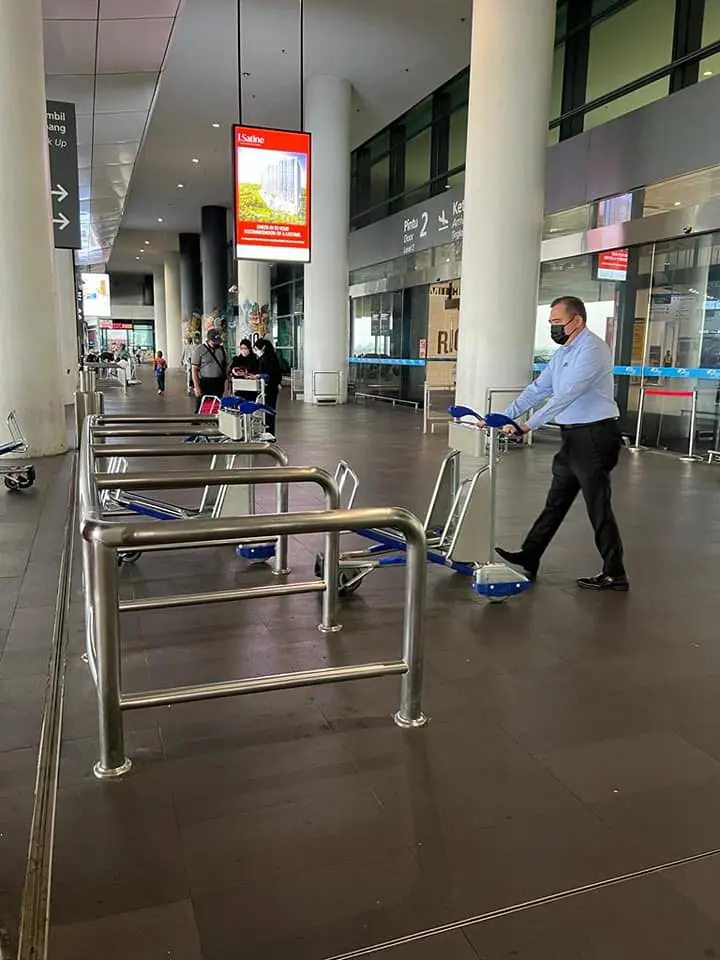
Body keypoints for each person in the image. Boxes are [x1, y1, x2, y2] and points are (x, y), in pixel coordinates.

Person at [493, 295, 628, 592]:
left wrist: (528, 425)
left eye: (557, 322)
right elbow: (538, 389)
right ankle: (531, 555)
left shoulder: (592, 350)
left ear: (576, 321)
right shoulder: (563, 352)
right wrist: (501, 416)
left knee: (598, 506)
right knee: (556, 502)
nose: (553, 328)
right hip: (573, 438)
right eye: (551, 323)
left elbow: (565, 395)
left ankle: (615, 573)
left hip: (596, 436)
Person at [190, 328, 227, 412]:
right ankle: (198, 420)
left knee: (217, 404)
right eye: (214, 341)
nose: (216, 343)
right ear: (208, 339)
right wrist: (196, 386)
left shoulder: (221, 349)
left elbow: (225, 366)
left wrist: (227, 382)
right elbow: (194, 369)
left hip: (219, 383)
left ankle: (215, 420)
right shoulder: (199, 350)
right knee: (201, 404)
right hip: (205, 383)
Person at [253, 337, 282, 441]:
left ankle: (267, 434)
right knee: (270, 411)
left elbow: (266, 374)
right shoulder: (273, 357)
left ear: (263, 348)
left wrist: (257, 376)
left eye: (256, 349)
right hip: (273, 389)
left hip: (267, 389)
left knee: (266, 411)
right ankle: (270, 433)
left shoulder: (264, 359)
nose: (256, 352)